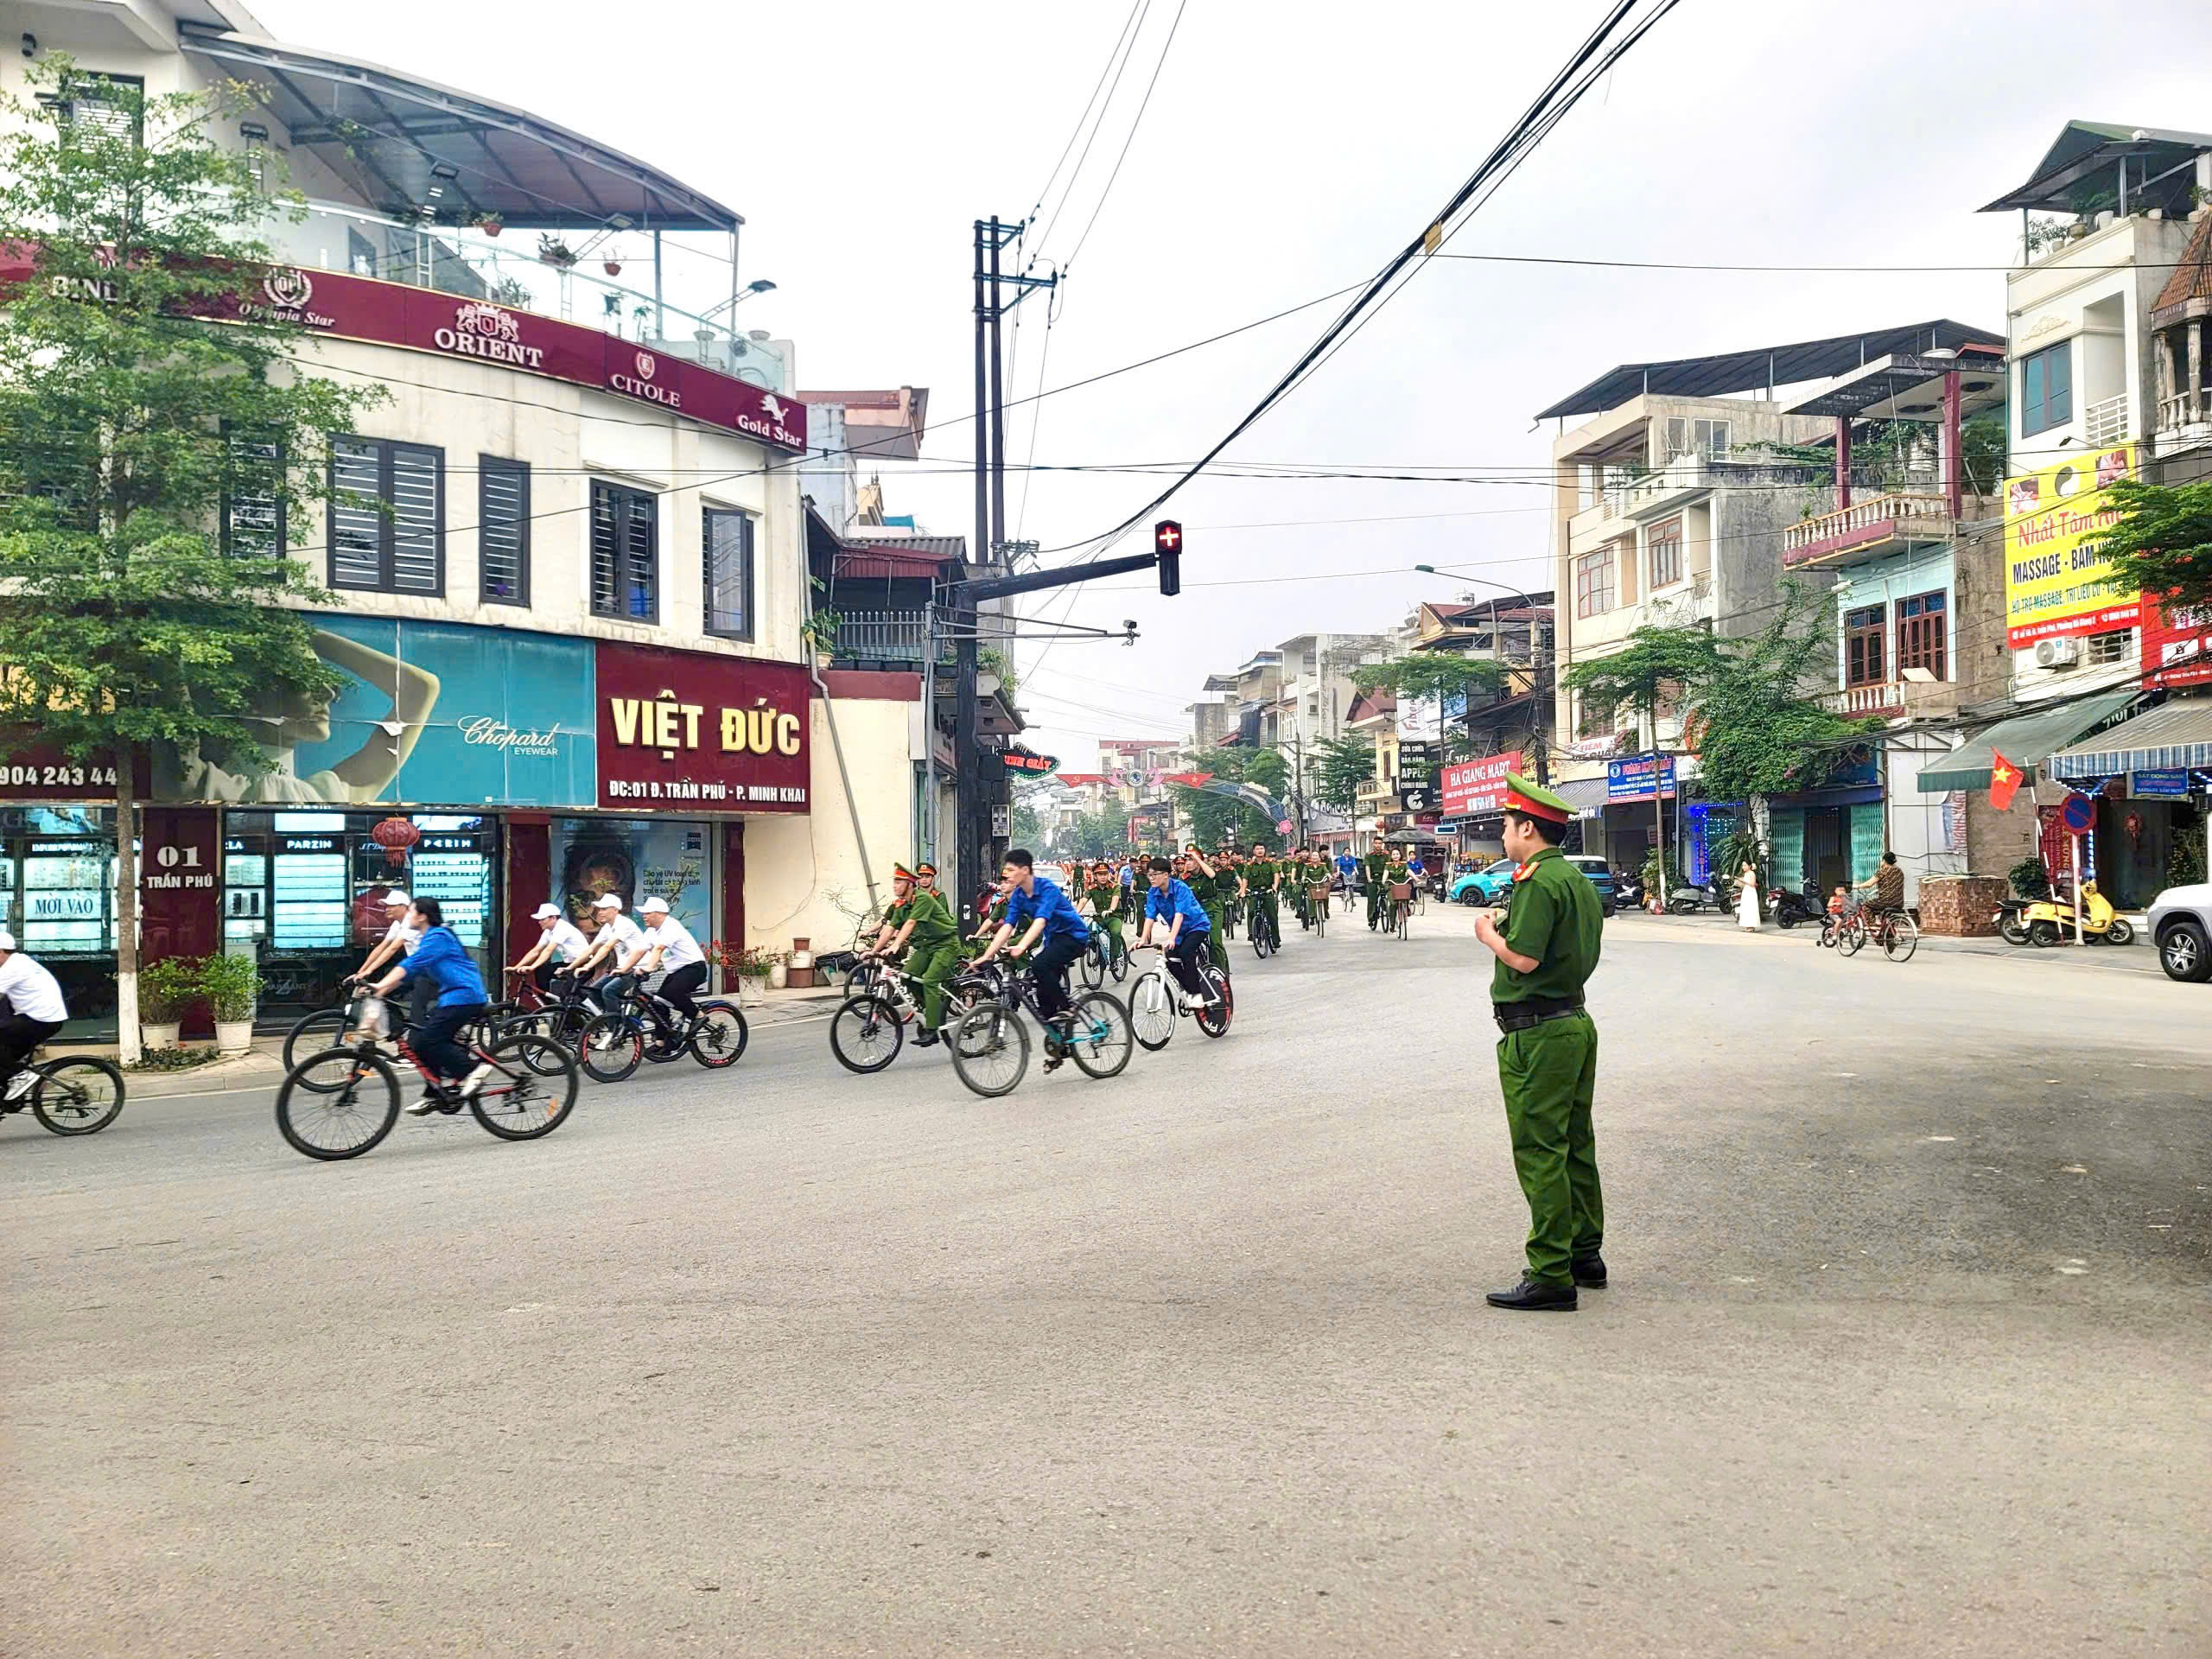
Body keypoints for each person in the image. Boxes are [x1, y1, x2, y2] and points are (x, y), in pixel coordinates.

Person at [1470, 773, 1605, 1313]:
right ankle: (1584, 1254)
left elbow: (1524, 958)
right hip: (1573, 1020)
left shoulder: (1536, 883)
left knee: (1541, 1149)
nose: (1502, 835)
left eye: (1506, 826)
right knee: (1575, 1142)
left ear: (1528, 828)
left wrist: (1489, 935)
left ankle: (1550, 1272)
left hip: (1539, 1031)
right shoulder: (1573, 880)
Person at [369, 897, 493, 1113]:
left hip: (465, 997)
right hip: (452, 998)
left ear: (423, 916)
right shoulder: (428, 939)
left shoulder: (439, 937)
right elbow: (411, 972)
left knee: (430, 1041)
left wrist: (380, 984)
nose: (408, 916)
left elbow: (410, 964)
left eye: (412, 912)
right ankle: (434, 1093)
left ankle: (473, 1070)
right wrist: (381, 989)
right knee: (421, 1045)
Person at [975, 849, 1092, 1069]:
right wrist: (986, 955)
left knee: (1039, 965)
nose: (1006, 875)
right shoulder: (1018, 895)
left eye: (1010, 870)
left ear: (1025, 870)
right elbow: (1008, 926)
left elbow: (1040, 921)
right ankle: (1060, 1046)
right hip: (1052, 942)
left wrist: (1022, 946)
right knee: (1042, 996)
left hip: (1073, 937)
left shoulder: (1046, 888)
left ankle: (1067, 1007)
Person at [871, 864, 960, 1046]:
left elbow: (910, 923)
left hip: (945, 945)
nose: (894, 885)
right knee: (907, 976)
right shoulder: (902, 904)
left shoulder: (923, 899)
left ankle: (932, 1030)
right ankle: (932, 1007)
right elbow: (889, 928)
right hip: (926, 947)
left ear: (910, 884)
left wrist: (895, 946)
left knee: (930, 981)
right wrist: (873, 951)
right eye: (894, 881)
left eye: (899, 881)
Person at [1140, 855, 1219, 1009]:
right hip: (1180, 932)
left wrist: (1171, 938)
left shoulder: (1180, 888)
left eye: (1154, 874)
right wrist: (1142, 939)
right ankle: (1188, 990)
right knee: (1169, 959)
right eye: (1149, 875)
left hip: (1197, 926)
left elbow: (1179, 915)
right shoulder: (1152, 893)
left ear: (1165, 874)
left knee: (1185, 952)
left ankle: (1196, 993)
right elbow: (1149, 917)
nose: (1151, 878)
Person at [0, 931, 69, 1103]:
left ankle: (22, 1075)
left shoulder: (12, 967)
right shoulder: (18, 961)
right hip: (39, 1016)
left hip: (41, 1020)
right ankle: (9, 1090)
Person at [347, 888, 426, 1033]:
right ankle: (400, 1029)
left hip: (426, 971)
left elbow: (393, 949)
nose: (386, 909)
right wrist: (361, 971)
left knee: (418, 1010)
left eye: (391, 906)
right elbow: (382, 947)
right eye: (386, 906)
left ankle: (417, 1036)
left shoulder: (410, 921)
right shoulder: (397, 923)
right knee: (382, 991)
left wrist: (369, 971)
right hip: (414, 969)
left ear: (404, 907)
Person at [625, 896, 709, 1030]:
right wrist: (624, 969)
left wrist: (649, 968)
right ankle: (662, 1043)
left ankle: (698, 1016)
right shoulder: (652, 931)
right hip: (676, 972)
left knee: (672, 993)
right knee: (659, 1004)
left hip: (694, 968)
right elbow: (639, 951)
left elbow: (658, 948)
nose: (644, 916)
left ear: (659, 914)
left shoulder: (671, 926)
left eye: (647, 913)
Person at [573, 893, 646, 1010]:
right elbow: (591, 948)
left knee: (608, 991)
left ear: (615, 910)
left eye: (604, 909)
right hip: (622, 968)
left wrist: (587, 966)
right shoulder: (607, 927)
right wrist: (571, 967)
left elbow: (607, 947)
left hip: (638, 967)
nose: (600, 912)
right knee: (593, 991)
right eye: (599, 909)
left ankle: (616, 1025)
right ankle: (608, 1018)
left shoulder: (624, 924)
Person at [508, 902, 589, 993]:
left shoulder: (562, 928)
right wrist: (516, 967)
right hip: (569, 964)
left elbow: (548, 950)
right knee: (542, 970)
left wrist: (532, 966)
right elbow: (535, 951)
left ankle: (580, 1005)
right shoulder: (549, 931)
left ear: (553, 918)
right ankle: (547, 1004)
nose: (539, 922)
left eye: (542, 919)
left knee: (566, 994)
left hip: (583, 965)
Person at [1084, 861, 1126, 963]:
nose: (1103, 877)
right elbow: (1083, 900)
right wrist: (1074, 913)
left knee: (1115, 933)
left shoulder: (1115, 886)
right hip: (1099, 918)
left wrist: (1111, 909)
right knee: (1087, 934)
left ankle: (1114, 959)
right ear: (1095, 876)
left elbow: (1115, 899)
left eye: (1105, 874)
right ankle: (1099, 953)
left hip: (1114, 917)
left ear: (1108, 875)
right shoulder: (1092, 888)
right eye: (1100, 874)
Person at [1855, 851, 1905, 917]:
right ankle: (1888, 925)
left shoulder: (1883, 871)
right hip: (1899, 902)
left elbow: (1869, 884)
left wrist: (1857, 886)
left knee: (1865, 905)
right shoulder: (1899, 871)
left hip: (1885, 901)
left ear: (1884, 861)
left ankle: (1872, 925)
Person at [1363, 842, 1389, 929]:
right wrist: (1369, 878)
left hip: (1384, 879)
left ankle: (1387, 910)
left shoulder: (1386, 854)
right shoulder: (1369, 855)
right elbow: (1367, 867)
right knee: (1372, 899)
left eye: (1380, 843)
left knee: (1390, 893)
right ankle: (1370, 918)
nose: (1378, 845)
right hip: (1372, 879)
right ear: (1373, 844)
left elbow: (1388, 867)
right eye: (1376, 843)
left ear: (1382, 845)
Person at [1736, 861, 1762, 932]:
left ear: (1750, 866)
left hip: (1751, 892)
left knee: (1751, 908)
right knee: (1746, 908)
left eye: (1745, 865)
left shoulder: (1752, 873)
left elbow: (1753, 884)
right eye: (1743, 865)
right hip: (1746, 891)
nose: (1743, 867)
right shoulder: (1746, 873)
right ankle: (1748, 926)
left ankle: (1751, 927)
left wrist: (1743, 881)